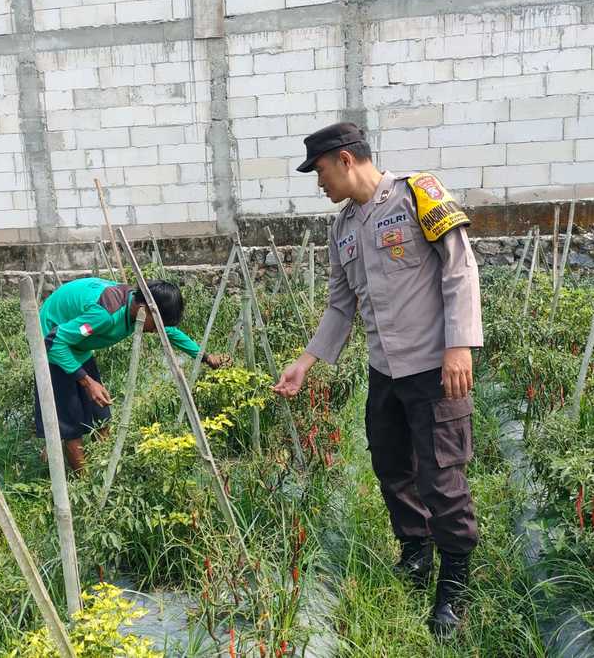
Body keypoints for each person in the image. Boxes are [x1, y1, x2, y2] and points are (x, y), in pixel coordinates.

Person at [273, 122, 483, 635]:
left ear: (345, 160)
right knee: (391, 467)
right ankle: (416, 551)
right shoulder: (343, 228)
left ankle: (455, 583)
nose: (319, 183)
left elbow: (459, 269)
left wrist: (459, 345)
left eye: (320, 171)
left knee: (441, 478)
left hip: (433, 368)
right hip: (384, 372)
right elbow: (340, 304)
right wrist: (306, 361)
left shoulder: (418, 194)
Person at [35, 277, 228, 471]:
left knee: (101, 415)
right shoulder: (105, 316)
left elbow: (170, 332)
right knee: (71, 424)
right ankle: (83, 480)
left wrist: (205, 357)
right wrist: (87, 382)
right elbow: (54, 340)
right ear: (144, 308)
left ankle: (102, 469)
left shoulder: (138, 305)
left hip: (77, 344)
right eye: (156, 325)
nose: (156, 331)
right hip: (53, 343)